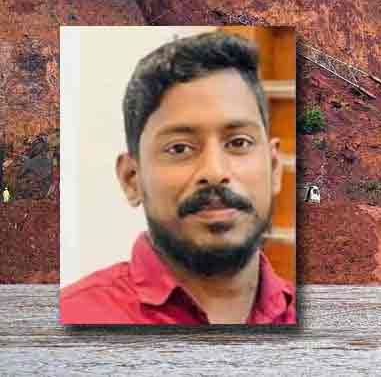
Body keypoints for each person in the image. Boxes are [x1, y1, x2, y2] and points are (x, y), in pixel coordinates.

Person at [60, 32, 294, 325]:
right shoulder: (74, 321)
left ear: (274, 168)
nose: (215, 171)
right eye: (180, 148)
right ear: (132, 179)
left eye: (238, 142)